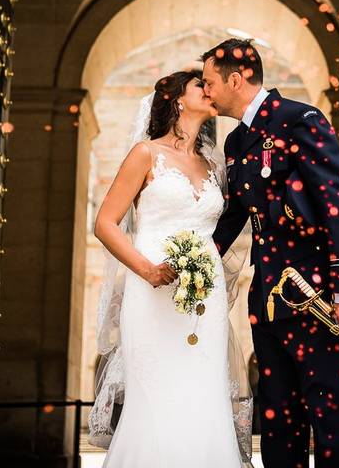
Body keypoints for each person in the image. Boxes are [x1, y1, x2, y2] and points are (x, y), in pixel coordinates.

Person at [201, 38, 339, 467]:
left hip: (316, 300)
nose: (206, 91)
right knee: (279, 421)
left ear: (236, 79)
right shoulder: (236, 143)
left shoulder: (300, 120)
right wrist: (196, 263)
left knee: (334, 418)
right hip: (269, 301)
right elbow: (233, 215)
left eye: (209, 81)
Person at [88, 70, 252, 467]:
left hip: (205, 297)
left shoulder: (214, 164)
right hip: (152, 290)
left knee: (204, 392)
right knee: (158, 394)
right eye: (200, 85)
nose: (209, 89)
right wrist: (146, 270)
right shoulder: (146, 154)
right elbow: (105, 223)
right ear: (178, 99)